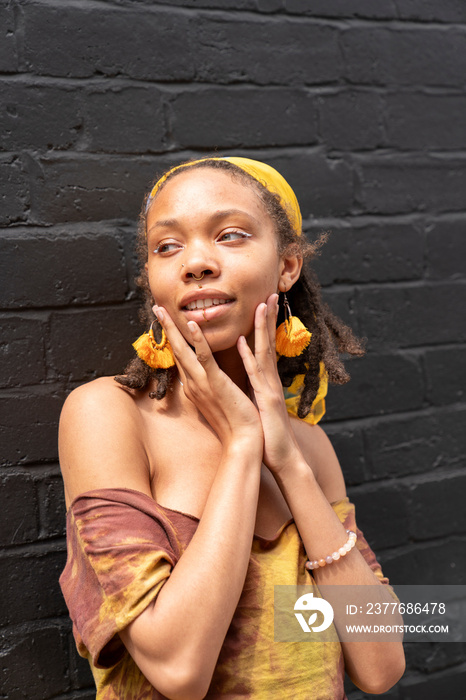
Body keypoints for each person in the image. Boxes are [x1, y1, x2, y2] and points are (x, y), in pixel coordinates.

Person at [59, 157, 406, 699]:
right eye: (167, 246)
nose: (195, 262)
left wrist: (288, 462)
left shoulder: (309, 446)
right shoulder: (110, 415)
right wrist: (244, 446)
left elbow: (380, 663)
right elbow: (179, 672)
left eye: (231, 235)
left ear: (288, 266)